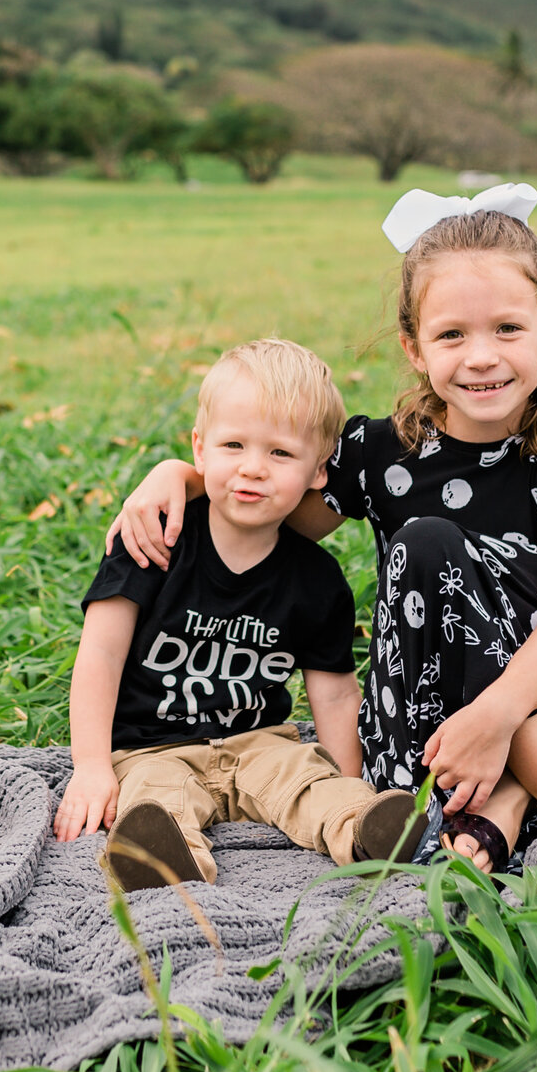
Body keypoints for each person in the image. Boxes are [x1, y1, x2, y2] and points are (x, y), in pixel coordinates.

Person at [109, 185, 537, 873]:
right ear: (415, 347)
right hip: (428, 729)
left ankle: (508, 803)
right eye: (452, 334)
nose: (481, 356)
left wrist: (499, 717)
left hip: (532, 700)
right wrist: (176, 474)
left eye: (507, 330)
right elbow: (261, 505)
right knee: (429, 543)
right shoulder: (377, 452)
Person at [54, 337, 423, 889]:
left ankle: (366, 828)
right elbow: (100, 655)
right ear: (199, 449)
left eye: (280, 453)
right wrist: (91, 767)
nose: (253, 469)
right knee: (156, 795)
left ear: (319, 471)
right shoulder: (154, 538)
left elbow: (337, 693)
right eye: (234, 446)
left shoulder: (317, 580)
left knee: (304, 777)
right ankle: (163, 860)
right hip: (152, 747)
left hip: (260, 743)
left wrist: (351, 781)